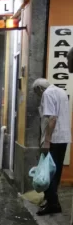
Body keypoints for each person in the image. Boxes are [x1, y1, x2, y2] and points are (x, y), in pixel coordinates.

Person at [32, 78, 71, 216]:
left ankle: (53, 204)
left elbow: (52, 118)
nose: (38, 97)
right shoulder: (60, 91)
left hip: (54, 138)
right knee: (56, 171)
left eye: (36, 93)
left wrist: (47, 140)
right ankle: (52, 201)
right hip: (63, 137)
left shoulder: (47, 94)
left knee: (48, 173)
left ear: (39, 89)